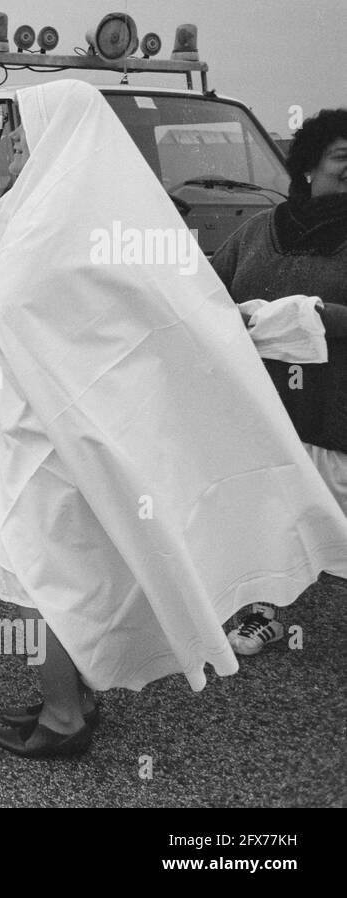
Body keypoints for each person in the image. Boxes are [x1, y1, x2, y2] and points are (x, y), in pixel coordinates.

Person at [0, 79, 347, 758]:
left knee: (51, 576)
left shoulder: (67, 224)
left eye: (24, 129)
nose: (15, 143)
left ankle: (64, 717)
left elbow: (36, 313)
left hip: (59, 439)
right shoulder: (54, 209)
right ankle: (73, 693)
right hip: (44, 427)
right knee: (71, 571)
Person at [210, 107, 347, 654]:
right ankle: (261, 610)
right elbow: (209, 291)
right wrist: (233, 316)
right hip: (266, 400)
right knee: (267, 502)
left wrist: (318, 315)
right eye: (342, 159)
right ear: (309, 168)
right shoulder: (258, 231)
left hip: (335, 404)